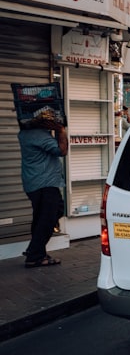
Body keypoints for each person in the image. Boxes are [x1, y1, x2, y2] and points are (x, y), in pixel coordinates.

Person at [18, 114, 68, 268]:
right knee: (48, 217)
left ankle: (37, 251)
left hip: (36, 183)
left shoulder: (25, 133)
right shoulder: (38, 135)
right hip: (44, 184)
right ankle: (34, 254)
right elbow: (62, 150)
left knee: (42, 217)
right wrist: (60, 131)